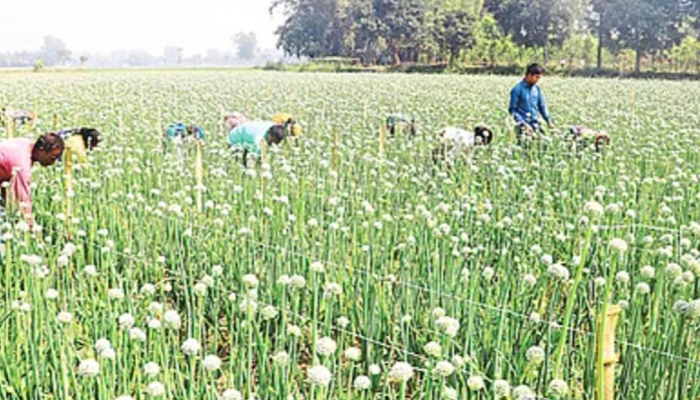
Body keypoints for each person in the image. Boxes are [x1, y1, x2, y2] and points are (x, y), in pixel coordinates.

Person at [0, 133, 64, 222]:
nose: (52, 162)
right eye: (52, 158)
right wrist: (31, 227)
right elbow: (23, 200)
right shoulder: (22, 163)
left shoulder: (25, 145)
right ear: (42, 150)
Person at [509, 64, 554, 145]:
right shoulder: (517, 90)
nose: (538, 80)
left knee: (543, 145)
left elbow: (542, 106)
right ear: (529, 75)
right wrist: (523, 124)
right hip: (522, 126)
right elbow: (513, 110)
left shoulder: (537, 89)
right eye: (536, 77)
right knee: (525, 148)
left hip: (536, 123)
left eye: (539, 78)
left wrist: (549, 121)